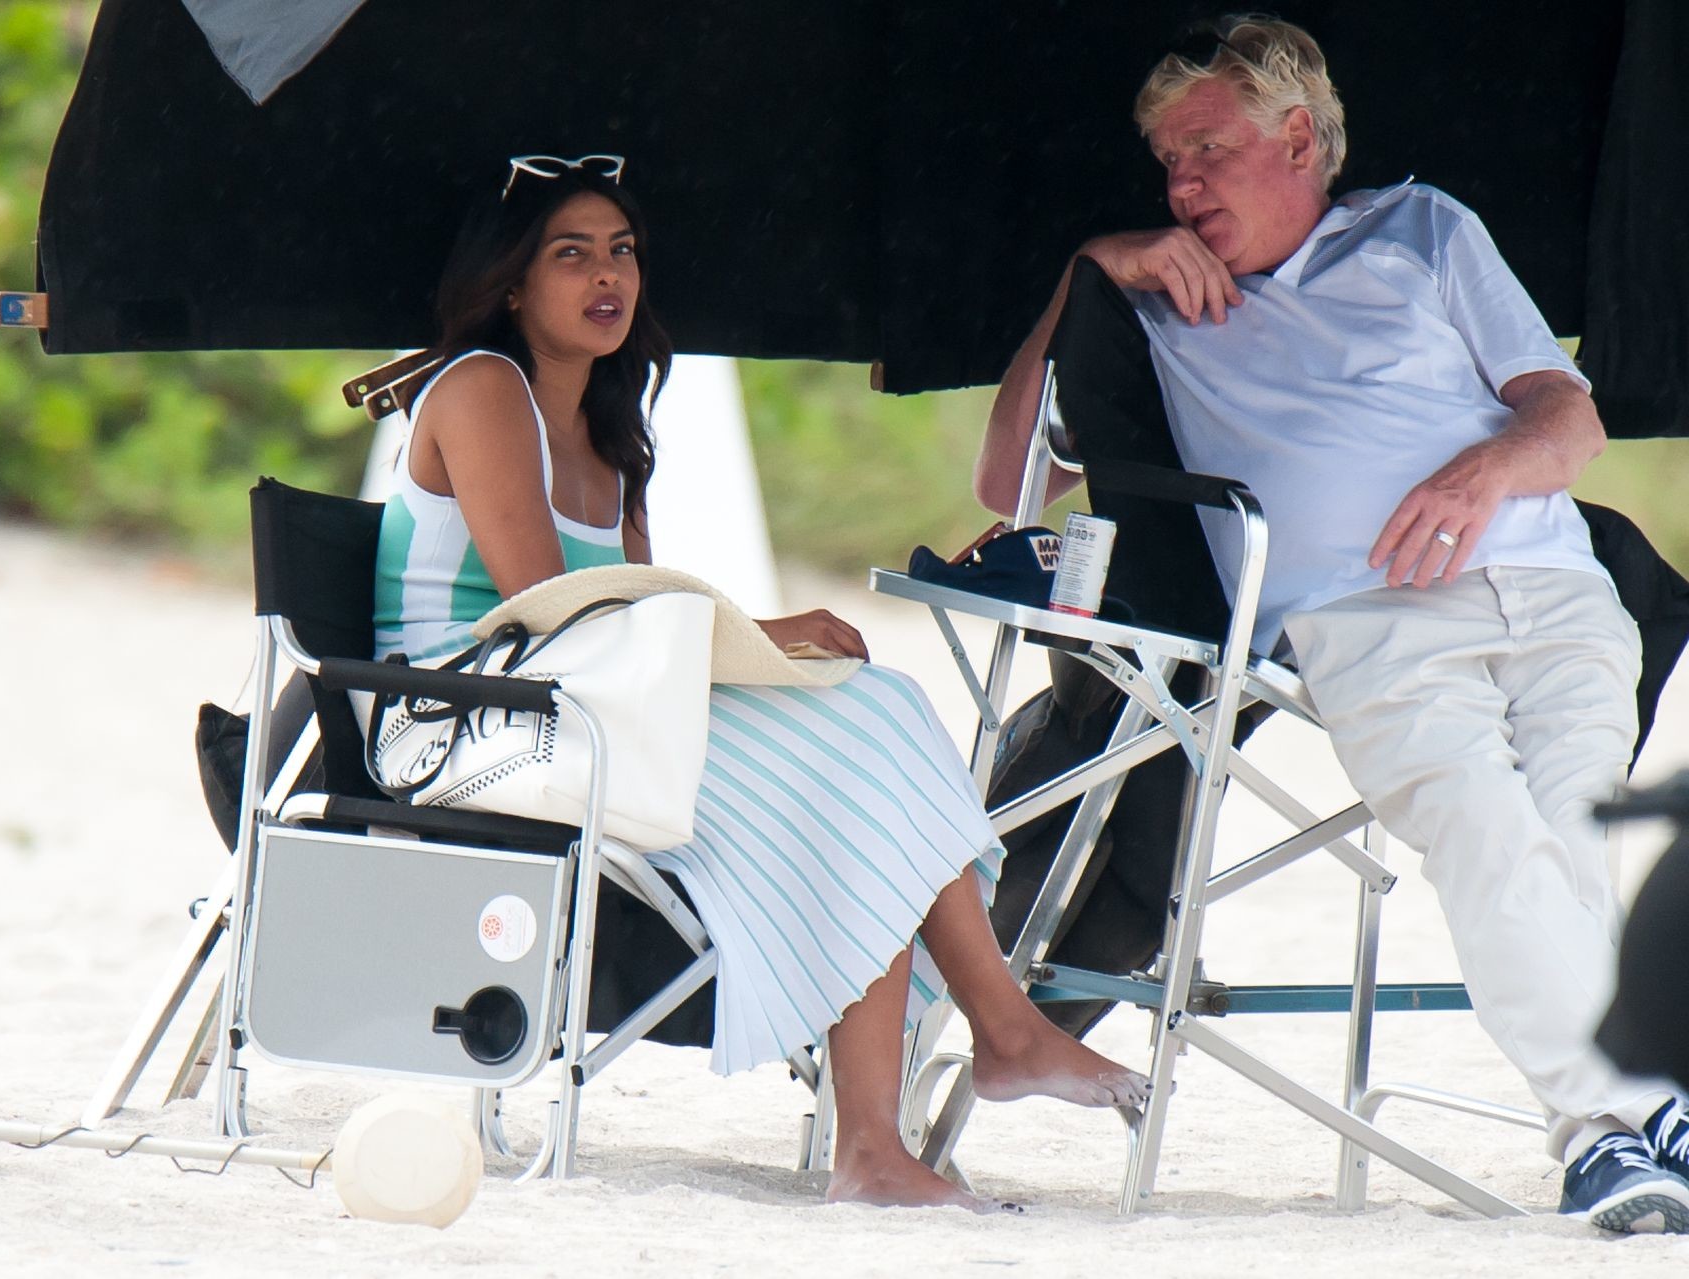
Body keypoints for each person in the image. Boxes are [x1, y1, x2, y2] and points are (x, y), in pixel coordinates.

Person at [976, 16, 1689, 1233]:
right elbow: (1007, 484)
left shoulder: (1424, 228)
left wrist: (1481, 474)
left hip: (1556, 587)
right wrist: (1094, 264)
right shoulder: (1155, 305)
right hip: (1367, 620)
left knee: (1566, 834)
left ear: (1300, 140)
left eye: (1207, 149)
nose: (1181, 185)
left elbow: (1567, 420)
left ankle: (1627, 1135)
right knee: (1488, 828)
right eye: (1168, 162)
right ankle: (1621, 1124)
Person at [372, 154, 1150, 1210]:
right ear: (511, 283)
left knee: (876, 710)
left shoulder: (609, 429)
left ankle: (899, 1123)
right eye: (570, 255)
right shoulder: (481, 389)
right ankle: (977, 1051)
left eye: (622, 252)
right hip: (464, 715)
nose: (607, 276)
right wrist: (761, 634)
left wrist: (760, 650)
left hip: (575, 702)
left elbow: (622, 627)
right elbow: (550, 609)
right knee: (848, 756)